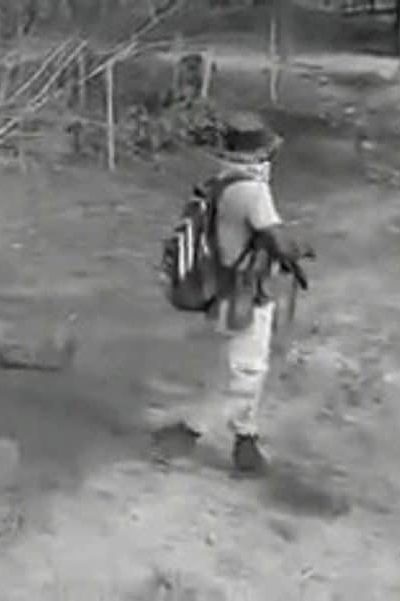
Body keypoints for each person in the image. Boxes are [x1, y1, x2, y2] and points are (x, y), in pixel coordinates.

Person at [152, 111, 311, 474]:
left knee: (229, 366)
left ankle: (238, 438)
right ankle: (209, 436)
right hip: (244, 290)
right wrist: (301, 247)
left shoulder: (222, 182)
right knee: (247, 370)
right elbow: (278, 241)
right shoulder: (253, 191)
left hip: (224, 287)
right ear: (259, 157)